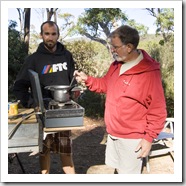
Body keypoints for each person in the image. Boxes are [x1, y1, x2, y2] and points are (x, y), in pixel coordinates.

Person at [74, 25, 167, 174]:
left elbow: (158, 110)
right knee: (119, 172)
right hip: (113, 133)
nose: (112, 50)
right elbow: (105, 85)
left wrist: (148, 138)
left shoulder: (149, 73)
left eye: (115, 47)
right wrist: (87, 79)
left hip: (132, 139)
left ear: (129, 47)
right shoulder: (116, 65)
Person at [13, 21, 76, 174]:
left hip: (63, 113)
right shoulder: (33, 59)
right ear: (41, 35)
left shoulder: (67, 56)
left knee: (65, 151)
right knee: (44, 151)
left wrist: (74, 93)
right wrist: (32, 103)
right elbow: (19, 86)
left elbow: (72, 82)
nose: (50, 37)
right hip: (43, 114)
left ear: (58, 35)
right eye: (47, 34)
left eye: (53, 34)